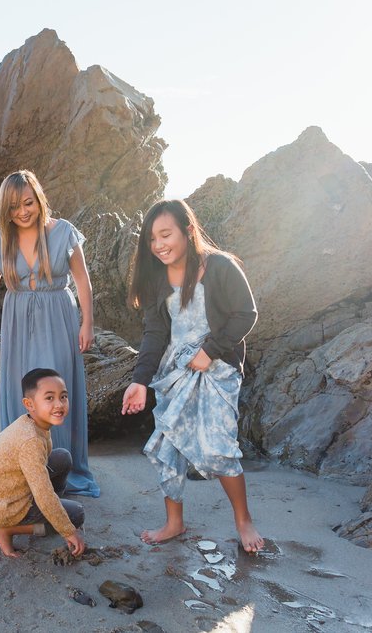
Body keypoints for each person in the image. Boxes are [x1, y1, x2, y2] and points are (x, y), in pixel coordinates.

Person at [120, 199, 265, 552]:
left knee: (219, 447)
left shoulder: (220, 267)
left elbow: (246, 314)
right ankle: (174, 523)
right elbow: (155, 335)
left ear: (187, 230)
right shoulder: (157, 280)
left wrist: (210, 352)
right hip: (176, 372)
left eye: (165, 234)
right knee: (169, 445)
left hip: (218, 371)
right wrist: (139, 380)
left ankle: (244, 522)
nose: (159, 245)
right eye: (152, 239)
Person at [0, 170, 99, 497]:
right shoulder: (1, 239)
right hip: (18, 321)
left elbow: (83, 281)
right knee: (23, 390)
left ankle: (61, 469)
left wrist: (87, 323)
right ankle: (23, 469)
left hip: (58, 315)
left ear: (39, 199)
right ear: (5, 209)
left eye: (29, 203)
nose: (22, 211)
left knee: (56, 388)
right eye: (14, 206)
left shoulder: (64, 233)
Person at [0, 368, 86, 558]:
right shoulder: (31, 441)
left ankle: (51, 510)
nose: (59, 404)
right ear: (29, 404)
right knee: (76, 515)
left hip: (9, 491)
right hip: (4, 507)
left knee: (63, 457)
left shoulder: (33, 423)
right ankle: (6, 530)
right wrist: (68, 531)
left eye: (63, 396)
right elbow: (43, 494)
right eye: (49, 398)